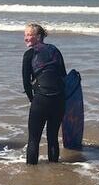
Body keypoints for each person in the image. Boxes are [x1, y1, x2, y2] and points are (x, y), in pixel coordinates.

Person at [22, 22, 67, 165]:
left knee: (33, 139)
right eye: (25, 35)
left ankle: (31, 174)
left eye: (29, 34)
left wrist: (33, 99)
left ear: (39, 36)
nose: (26, 38)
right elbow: (63, 76)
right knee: (53, 138)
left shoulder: (29, 54)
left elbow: (26, 82)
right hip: (59, 99)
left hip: (41, 99)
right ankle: (55, 172)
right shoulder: (54, 50)